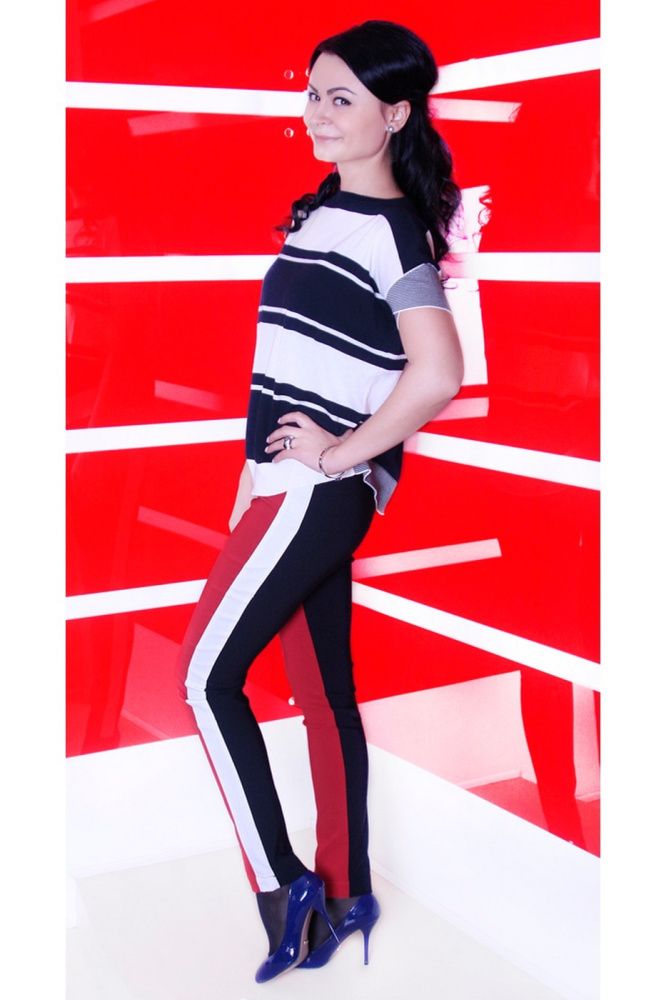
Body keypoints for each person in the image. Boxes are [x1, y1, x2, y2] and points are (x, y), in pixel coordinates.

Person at [176, 18, 464, 984]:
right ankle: (348, 896)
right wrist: (248, 479)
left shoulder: (391, 232)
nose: (317, 114)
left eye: (342, 98)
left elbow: (438, 373)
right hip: (287, 489)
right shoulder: (323, 216)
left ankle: (280, 886)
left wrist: (339, 453)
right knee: (324, 697)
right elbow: (282, 366)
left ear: (396, 114)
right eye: (312, 94)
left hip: (315, 492)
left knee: (203, 681)